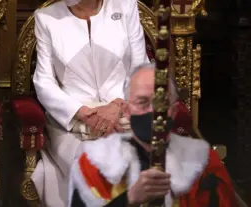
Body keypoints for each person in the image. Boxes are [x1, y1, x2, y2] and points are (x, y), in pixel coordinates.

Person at [23, 0, 149, 206]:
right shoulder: (46, 18)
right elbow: (43, 81)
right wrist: (84, 113)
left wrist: (117, 106)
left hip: (124, 119)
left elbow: (141, 68)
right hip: (72, 127)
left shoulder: (125, 7)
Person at [69, 63, 237, 206]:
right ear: (127, 111)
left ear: (175, 110)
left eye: (161, 102)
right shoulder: (92, 165)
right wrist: (129, 199)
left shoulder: (204, 164)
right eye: (142, 102)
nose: (153, 111)